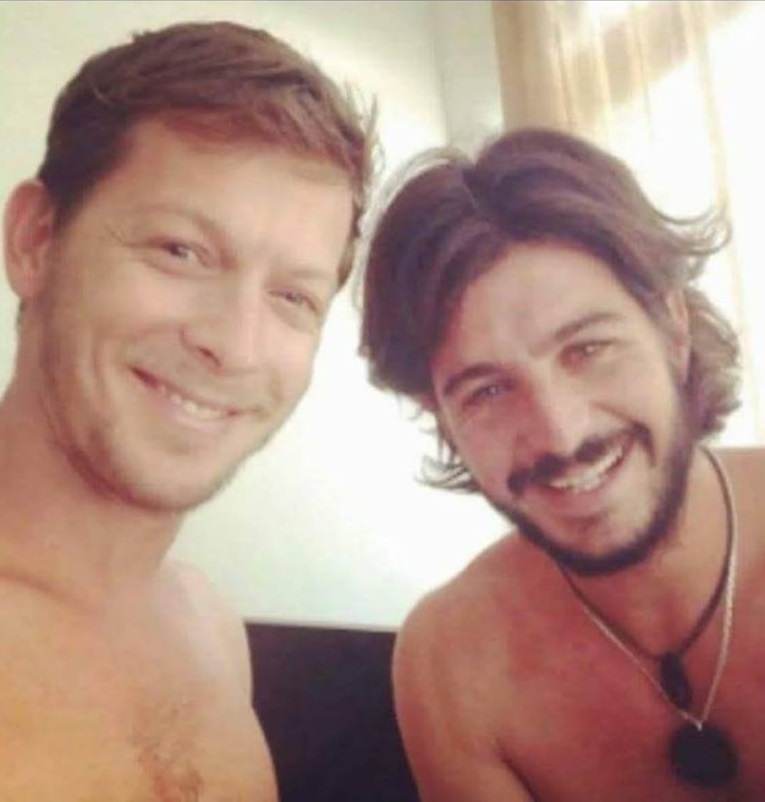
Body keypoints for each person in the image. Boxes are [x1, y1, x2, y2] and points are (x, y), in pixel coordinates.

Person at [1, 20, 372, 800]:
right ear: (36, 240)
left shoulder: (208, 627)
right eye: (181, 251)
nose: (234, 346)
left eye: (293, 297)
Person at [360, 127, 765, 800]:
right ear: (442, 418)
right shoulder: (453, 661)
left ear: (673, 327)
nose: (559, 432)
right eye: (488, 390)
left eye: (587, 349)